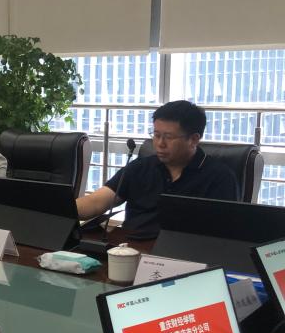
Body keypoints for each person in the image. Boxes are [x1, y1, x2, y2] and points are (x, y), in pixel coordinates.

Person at [76, 100, 238, 237]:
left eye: (168, 137)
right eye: (156, 135)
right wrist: (64, 207)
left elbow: (221, 232)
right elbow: (96, 202)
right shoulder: (140, 167)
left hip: (183, 253)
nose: (160, 143)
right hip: (130, 248)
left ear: (194, 139)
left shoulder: (219, 177)